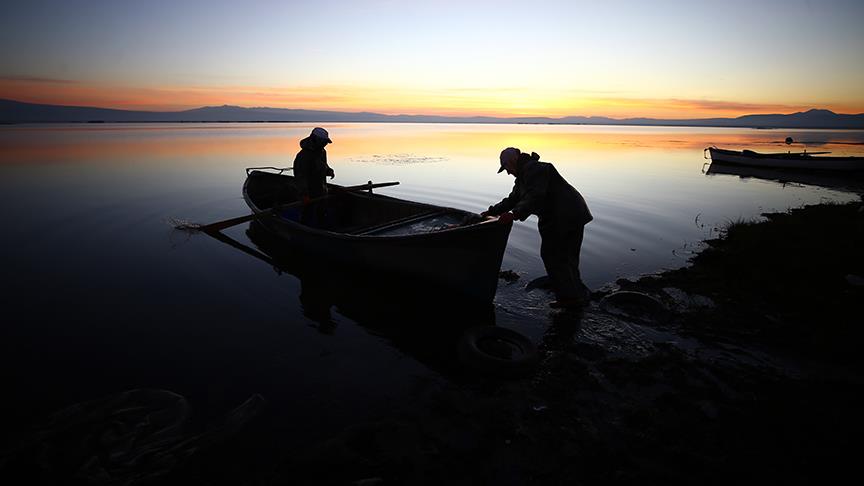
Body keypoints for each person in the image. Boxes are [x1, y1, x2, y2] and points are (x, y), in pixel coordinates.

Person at [482, 147, 593, 308]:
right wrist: (492, 211)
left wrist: (514, 214)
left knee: (553, 255)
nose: (507, 173)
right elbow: (513, 199)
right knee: (566, 257)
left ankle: (570, 299)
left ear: (512, 162)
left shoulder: (535, 170)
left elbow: (535, 196)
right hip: (568, 215)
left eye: (506, 168)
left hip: (566, 216)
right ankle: (574, 294)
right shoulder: (524, 175)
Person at [293, 127, 335, 226]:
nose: (325, 144)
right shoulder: (303, 156)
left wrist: (328, 171)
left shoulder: (322, 152)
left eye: (326, 142)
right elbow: (300, 177)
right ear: (315, 140)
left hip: (321, 190)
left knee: (322, 212)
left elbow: (322, 165)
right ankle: (303, 228)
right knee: (307, 213)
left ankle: (322, 227)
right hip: (309, 192)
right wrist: (304, 194)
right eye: (324, 142)